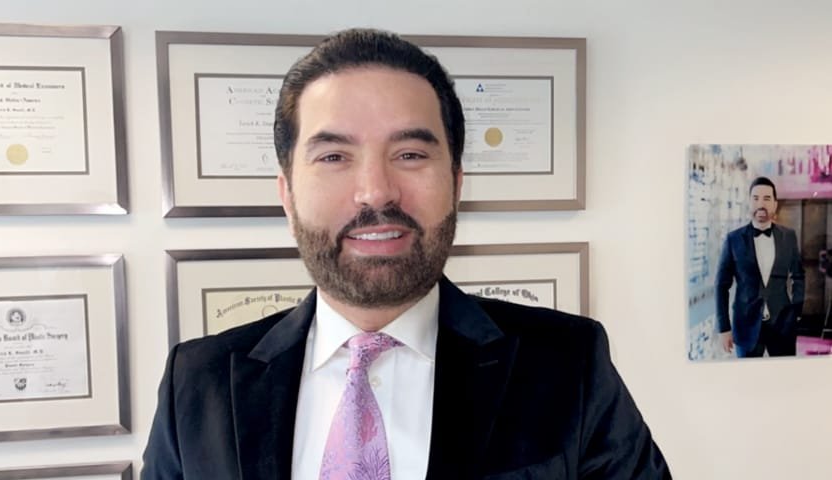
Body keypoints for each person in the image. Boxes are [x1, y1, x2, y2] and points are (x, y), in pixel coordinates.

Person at [142, 28, 670, 479]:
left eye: (411, 154)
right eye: (334, 156)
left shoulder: (568, 365)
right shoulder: (199, 381)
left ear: (456, 184)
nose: (376, 192)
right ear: (287, 193)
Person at [715, 176, 805, 358]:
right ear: (749, 202)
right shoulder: (733, 239)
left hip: (782, 327)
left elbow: (798, 276)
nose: (761, 204)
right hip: (745, 326)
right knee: (748, 375)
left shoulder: (789, 236)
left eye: (766, 199)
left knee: (785, 374)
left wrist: (796, 312)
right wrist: (724, 328)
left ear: (775, 204)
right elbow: (721, 285)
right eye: (755, 198)